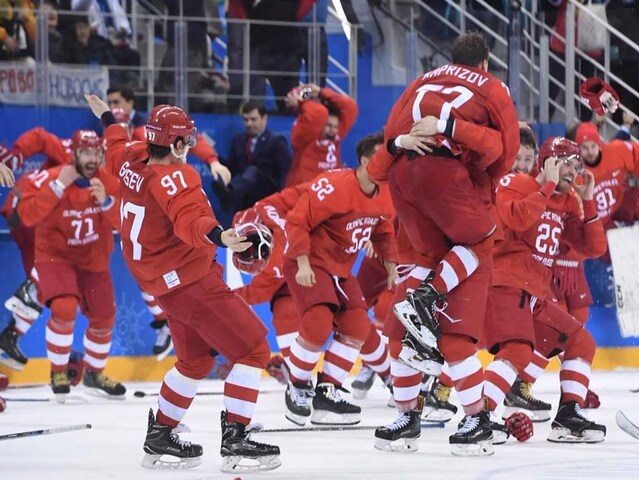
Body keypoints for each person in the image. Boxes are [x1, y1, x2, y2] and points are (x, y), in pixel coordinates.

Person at [86, 94, 281, 473]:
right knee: (254, 349)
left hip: (164, 284)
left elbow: (114, 144)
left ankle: (160, 435)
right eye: (187, 141)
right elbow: (190, 221)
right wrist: (221, 237)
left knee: (193, 362)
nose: (189, 147)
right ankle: (237, 442)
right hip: (190, 280)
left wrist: (108, 116)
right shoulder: (176, 175)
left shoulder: (132, 158)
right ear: (174, 144)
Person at [378, 32, 519, 455]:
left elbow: (387, 142)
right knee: (480, 244)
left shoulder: (422, 80)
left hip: (407, 187)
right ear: (487, 62)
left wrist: (399, 145)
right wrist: (457, 139)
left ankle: (407, 417)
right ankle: (476, 419)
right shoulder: (491, 87)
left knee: (401, 334)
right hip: (453, 197)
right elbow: (503, 149)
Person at [484, 137, 607, 444]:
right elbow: (515, 217)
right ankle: (479, 418)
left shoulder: (566, 201)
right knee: (516, 351)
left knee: (581, 341)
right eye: (567, 163)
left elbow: (593, 247)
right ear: (549, 162)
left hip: (534, 293)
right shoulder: (515, 182)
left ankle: (567, 418)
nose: (573, 171)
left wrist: (588, 200)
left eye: (576, 165)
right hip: (505, 284)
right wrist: (547, 187)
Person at [283, 132, 397, 426]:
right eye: (382, 157)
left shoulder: (386, 193)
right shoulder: (333, 185)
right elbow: (297, 220)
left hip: (341, 270)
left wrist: (392, 268)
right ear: (365, 161)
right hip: (310, 262)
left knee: (358, 325)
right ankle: (296, 385)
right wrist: (303, 263)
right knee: (318, 322)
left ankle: (327, 391)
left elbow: (382, 231)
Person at [16, 129, 125, 400]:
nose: (91, 158)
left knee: (104, 317)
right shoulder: (50, 178)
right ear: (74, 154)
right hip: (56, 257)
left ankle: (94, 373)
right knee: (64, 307)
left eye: (96, 152)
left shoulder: (107, 181)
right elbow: (27, 217)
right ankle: (58, 371)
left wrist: (108, 203)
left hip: (93, 259)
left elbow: (126, 223)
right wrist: (55, 189)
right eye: (86, 152)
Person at [212, 101, 292, 212]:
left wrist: (282, 198)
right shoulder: (238, 140)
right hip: (244, 198)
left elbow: (285, 171)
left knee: (253, 171)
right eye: (246, 120)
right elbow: (232, 169)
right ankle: (229, 193)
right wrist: (213, 157)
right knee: (223, 177)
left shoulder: (276, 141)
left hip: (267, 193)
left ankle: (230, 193)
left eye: (253, 119)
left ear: (264, 119)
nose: (249, 124)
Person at [284, 84, 358, 186]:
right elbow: (320, 113)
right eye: (328, 125)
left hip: (329, 190)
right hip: (303, 190)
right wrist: (301, 103)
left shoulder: (336, 133)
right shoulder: (305, 133)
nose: (332, 129)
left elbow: (351, 107)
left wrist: (321, 92)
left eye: (335, 126)